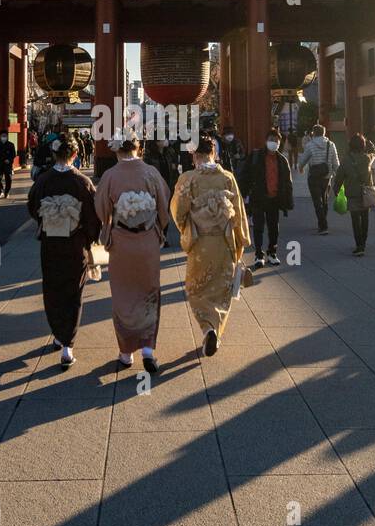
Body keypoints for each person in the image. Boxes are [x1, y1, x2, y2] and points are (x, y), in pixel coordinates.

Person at [95, 136, 170, 373]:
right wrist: (157, 227)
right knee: (148, 290)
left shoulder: (110, 176)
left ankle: (126, 353)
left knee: (124, 294)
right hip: (147, 241)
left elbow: (101, 208)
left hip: (122, 242)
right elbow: (164, 205)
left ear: (118, 150)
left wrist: (108, 227)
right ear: (139, 149)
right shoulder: (151, 173)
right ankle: (148, 349)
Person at [170, 135, 250, 356]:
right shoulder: (227, 178)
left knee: (197, 288)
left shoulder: (188, 179)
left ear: (194, 155)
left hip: (200, 243)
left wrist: (187, 227)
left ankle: (207, 327)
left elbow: (178, 211)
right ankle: (215, 327)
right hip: (224, 242)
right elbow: (239, 212)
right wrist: (241, 239)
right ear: (214, 153)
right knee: (221, 289)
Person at [28, 136, 101, 369]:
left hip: (51, 243)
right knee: (73, 292)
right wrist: (89, 237)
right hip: (74, 243)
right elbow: (93, 215)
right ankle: (68, 345)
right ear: (75, 154)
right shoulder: (82, 182)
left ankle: (58, 334)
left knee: (52, 287)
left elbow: (33, 207)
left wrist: (49, 219)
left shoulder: (43, 180)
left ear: (55, 154)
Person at [239, 127, 293, 268]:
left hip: (275, 198)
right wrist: (242, 194)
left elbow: (288, 182)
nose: (273, 143)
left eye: (276, 141)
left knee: (274, 227)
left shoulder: (282, 161)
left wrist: (288, 201)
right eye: (271, 140)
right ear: (266, 141)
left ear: (280, 143)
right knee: (258, 227)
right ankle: (258, 254)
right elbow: (246, 175)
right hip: (258, 197)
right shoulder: (256, 156)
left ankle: (272, 252)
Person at [333, 134, 375, 256]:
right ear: (362, 145)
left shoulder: (346, 160)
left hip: (352, 194)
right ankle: (363, 243)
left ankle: (358, 245)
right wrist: (370, 144)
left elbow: (339, 177)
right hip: (365, 194)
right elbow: (374, 152)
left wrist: (336, 190)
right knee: (365, 219)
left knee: (355, 220)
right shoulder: (367, 158)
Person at [298, 122, 340, 233]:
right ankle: (323, 221)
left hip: (313, 177)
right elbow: (336, 163)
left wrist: (300, 168)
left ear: (313, 133)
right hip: (327, 177)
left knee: (317, 202)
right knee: (324, 200)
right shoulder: (331, 145)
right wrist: (339, 175)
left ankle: (323, 225)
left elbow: (303, 160)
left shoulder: (310, 145)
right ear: (324, 133)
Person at [0, 128, 16, 199]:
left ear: (7, 136)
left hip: (8, 165)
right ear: (0, 136)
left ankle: (7, 192)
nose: (3, 137)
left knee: (8, 179)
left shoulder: (11, 145)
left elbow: (13, 154)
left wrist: (9, 160)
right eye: (2, 136)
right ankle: (0, 191)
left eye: (5, 136)